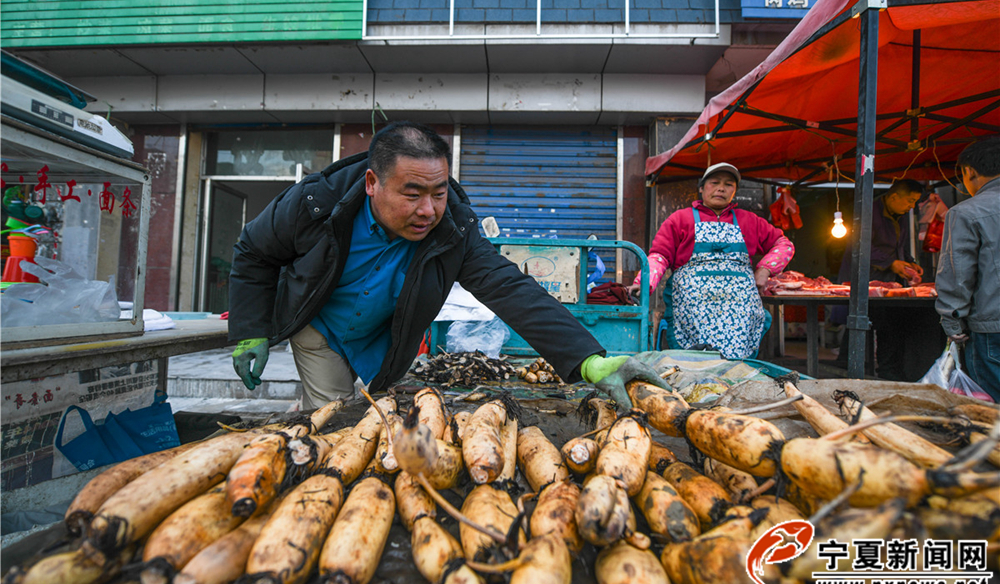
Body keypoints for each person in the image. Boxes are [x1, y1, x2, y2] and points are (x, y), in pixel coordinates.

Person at [227, 122, 664, 410]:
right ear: (372, 183)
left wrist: (589, 360)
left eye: (438, 192)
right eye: (412, 193)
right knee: (337, 419)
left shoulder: (453, 227)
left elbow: (509, 289)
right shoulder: (315, 203)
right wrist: (250, 330)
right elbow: (254, 252)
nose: (428, 210)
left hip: (383, 336)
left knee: (374, 418)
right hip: (318, 325)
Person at [628, 162, 794, 359]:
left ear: (735, 191)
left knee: (736, 367)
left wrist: (764, 270)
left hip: (739, 315)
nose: (721, 188)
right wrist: (644, 283)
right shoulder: (679, 219)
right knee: (694, 364)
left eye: (728, 184)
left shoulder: (750, 220)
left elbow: (784, 244)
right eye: (714, 182)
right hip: (692, 310)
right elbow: (659, 256)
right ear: (701, 188)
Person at [835, 179, 925, 380]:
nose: (912, 206)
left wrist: (909, 263)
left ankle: (887, 371)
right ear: (894, 197)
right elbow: (859, 247)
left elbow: (897, 248)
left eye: (915, 202)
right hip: (865, 281)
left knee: (889, 325)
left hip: (888, 283)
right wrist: (892, 263)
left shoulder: (900, 215)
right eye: (909, 201)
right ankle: (850, 369)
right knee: (865, 324)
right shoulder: (868, 213)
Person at [935, 136, 1000, 401]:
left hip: (991, 331)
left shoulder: (967, 212)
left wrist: (951, 322)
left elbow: (957, 275)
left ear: (969, 172)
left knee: (991, 413)